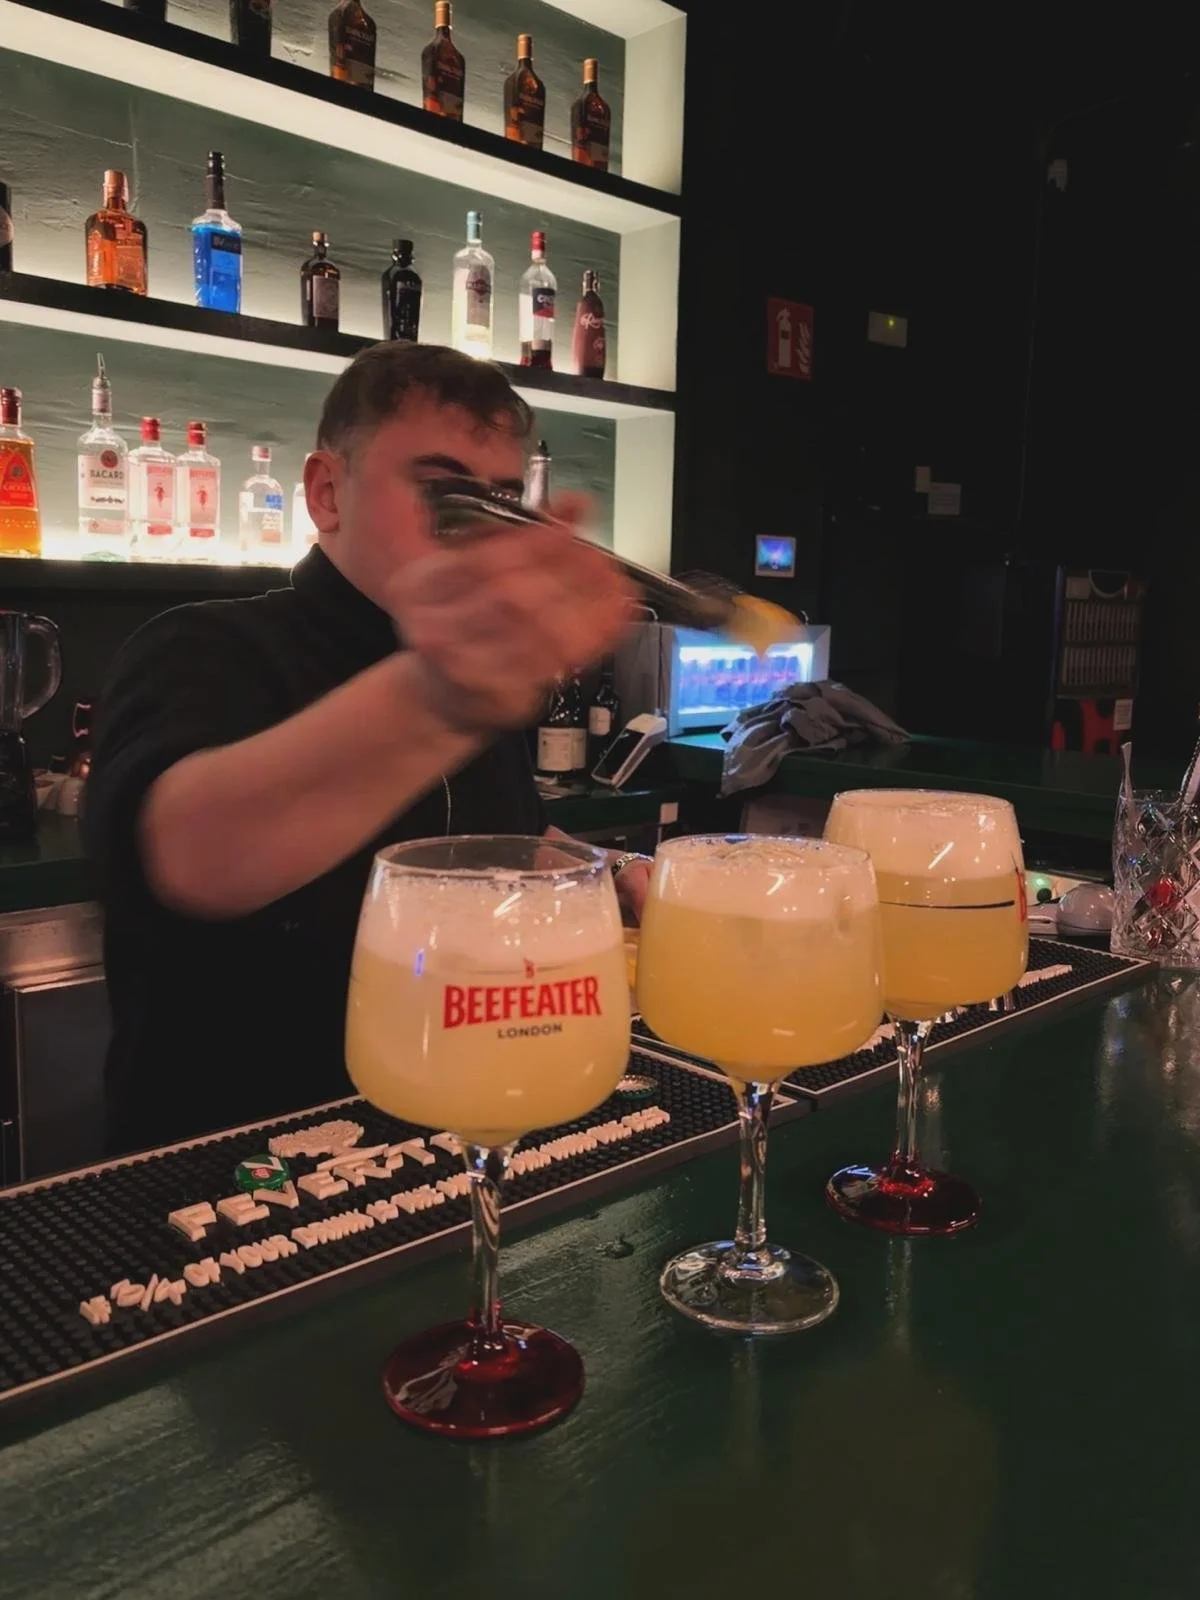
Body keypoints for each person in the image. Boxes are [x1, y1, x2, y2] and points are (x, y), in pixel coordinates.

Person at [86, 342, 651, 1156]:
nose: (482, 528)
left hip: (456, 1130)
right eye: (443, 491)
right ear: (326, 492)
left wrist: (611, 870)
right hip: (234, 1174)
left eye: (500, 498)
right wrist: (439, 694)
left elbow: (506, 843)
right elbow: (189, 851)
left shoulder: (478, 679)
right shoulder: (203, 646)